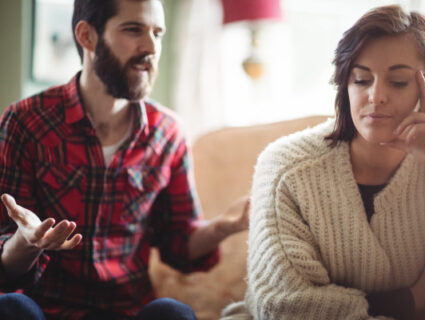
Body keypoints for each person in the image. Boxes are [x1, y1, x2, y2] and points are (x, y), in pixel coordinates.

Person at [221, 5, 425, 320]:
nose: (376, 96)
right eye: (361, 80)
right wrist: (414, 301)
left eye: (398, 81)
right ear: (344, 83)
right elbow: (281, 305)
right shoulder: (284, 168)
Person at [0, 0, 249, 319]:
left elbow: (179, 245)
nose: (150, 46)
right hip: (45, 309)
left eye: (157, 33)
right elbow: (6, 264)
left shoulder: (167, 133)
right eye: (133, 30)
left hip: (128, 311)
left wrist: (225, 226)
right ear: (87, 36)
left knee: (174, 313)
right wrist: (27, 240)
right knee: (10, 308)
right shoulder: (25, 122)